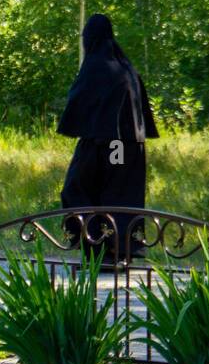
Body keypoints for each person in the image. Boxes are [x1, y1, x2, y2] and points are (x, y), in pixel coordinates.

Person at [56, 13, 159, 263]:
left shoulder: (97, 66)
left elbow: (80, 101)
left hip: (109, 143)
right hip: (128, 145)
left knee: (79, 189)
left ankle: (100, 248)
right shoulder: (125, 67)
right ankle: (114, 249)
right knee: (117, 193)